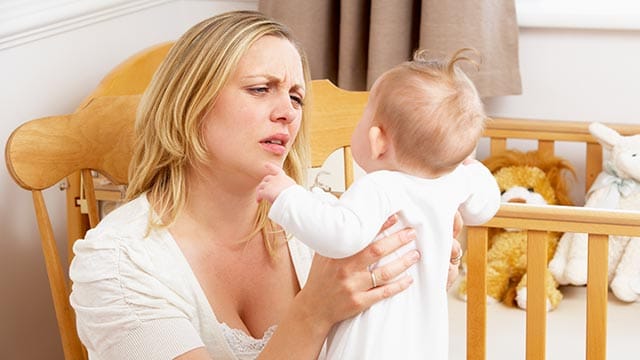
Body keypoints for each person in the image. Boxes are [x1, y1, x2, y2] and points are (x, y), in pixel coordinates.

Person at [68, 10, 462, 360]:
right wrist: (314, 311)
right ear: (190, 102)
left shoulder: (320, 227)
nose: (288, 113)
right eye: (260, 89)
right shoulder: (118, 265)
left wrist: (414, 281)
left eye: (296, 97)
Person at [257, 49, 501, 359]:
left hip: (370, 345)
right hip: (426, 343)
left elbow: (340, 235)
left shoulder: (379, 186)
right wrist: (469, 165)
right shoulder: (454, 181)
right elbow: (486, 205)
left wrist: (286, 195)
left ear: (377, 139)